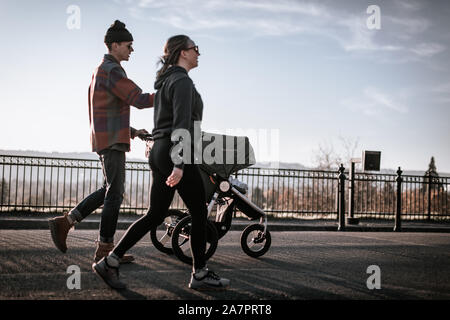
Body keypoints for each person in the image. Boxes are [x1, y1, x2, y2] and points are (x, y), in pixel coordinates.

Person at [92, 35, 230, 290]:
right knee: (199, 211)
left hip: (159, 150)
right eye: (195, 48)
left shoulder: (166, 82)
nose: (199, 53)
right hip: (175, 152)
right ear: (183, 53)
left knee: (155, 214)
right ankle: (199, 273)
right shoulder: (182, 82)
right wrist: (179, 163)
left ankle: (109, 261)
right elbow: (181, 124)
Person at [48, 20, 154, 264]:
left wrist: (133, 130)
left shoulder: (101, 70)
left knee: (109, 190)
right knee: (115, 194)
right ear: (115, 45)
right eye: (129, 45)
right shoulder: (113, 70)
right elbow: (137, 99)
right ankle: (105, 249)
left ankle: (66, 222)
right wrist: (169, 94)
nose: (132, 50)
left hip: (106, 137)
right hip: (112, 142)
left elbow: (107, 109)